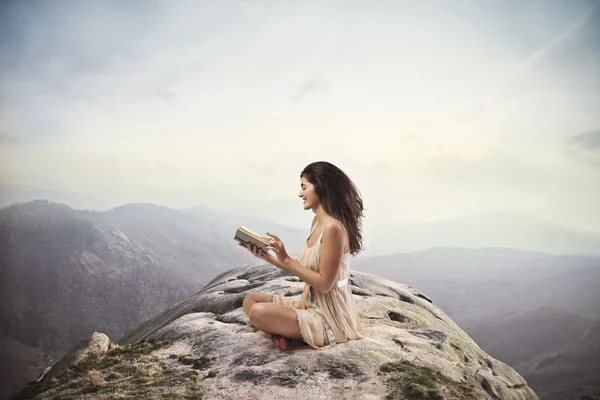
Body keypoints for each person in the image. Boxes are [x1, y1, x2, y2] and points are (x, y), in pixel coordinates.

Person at [239, 161, 367, 351]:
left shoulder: (333, 228)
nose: (300, 194)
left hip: (329, 314)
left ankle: (287, 332)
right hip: (308, 303)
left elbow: (324, 284)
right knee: (250, 299)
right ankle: (284, 332)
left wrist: (287, 259)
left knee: (258, 312)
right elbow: (308, 271)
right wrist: (269, 258)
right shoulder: (317, 222)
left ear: (321, 187)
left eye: (304, 187)